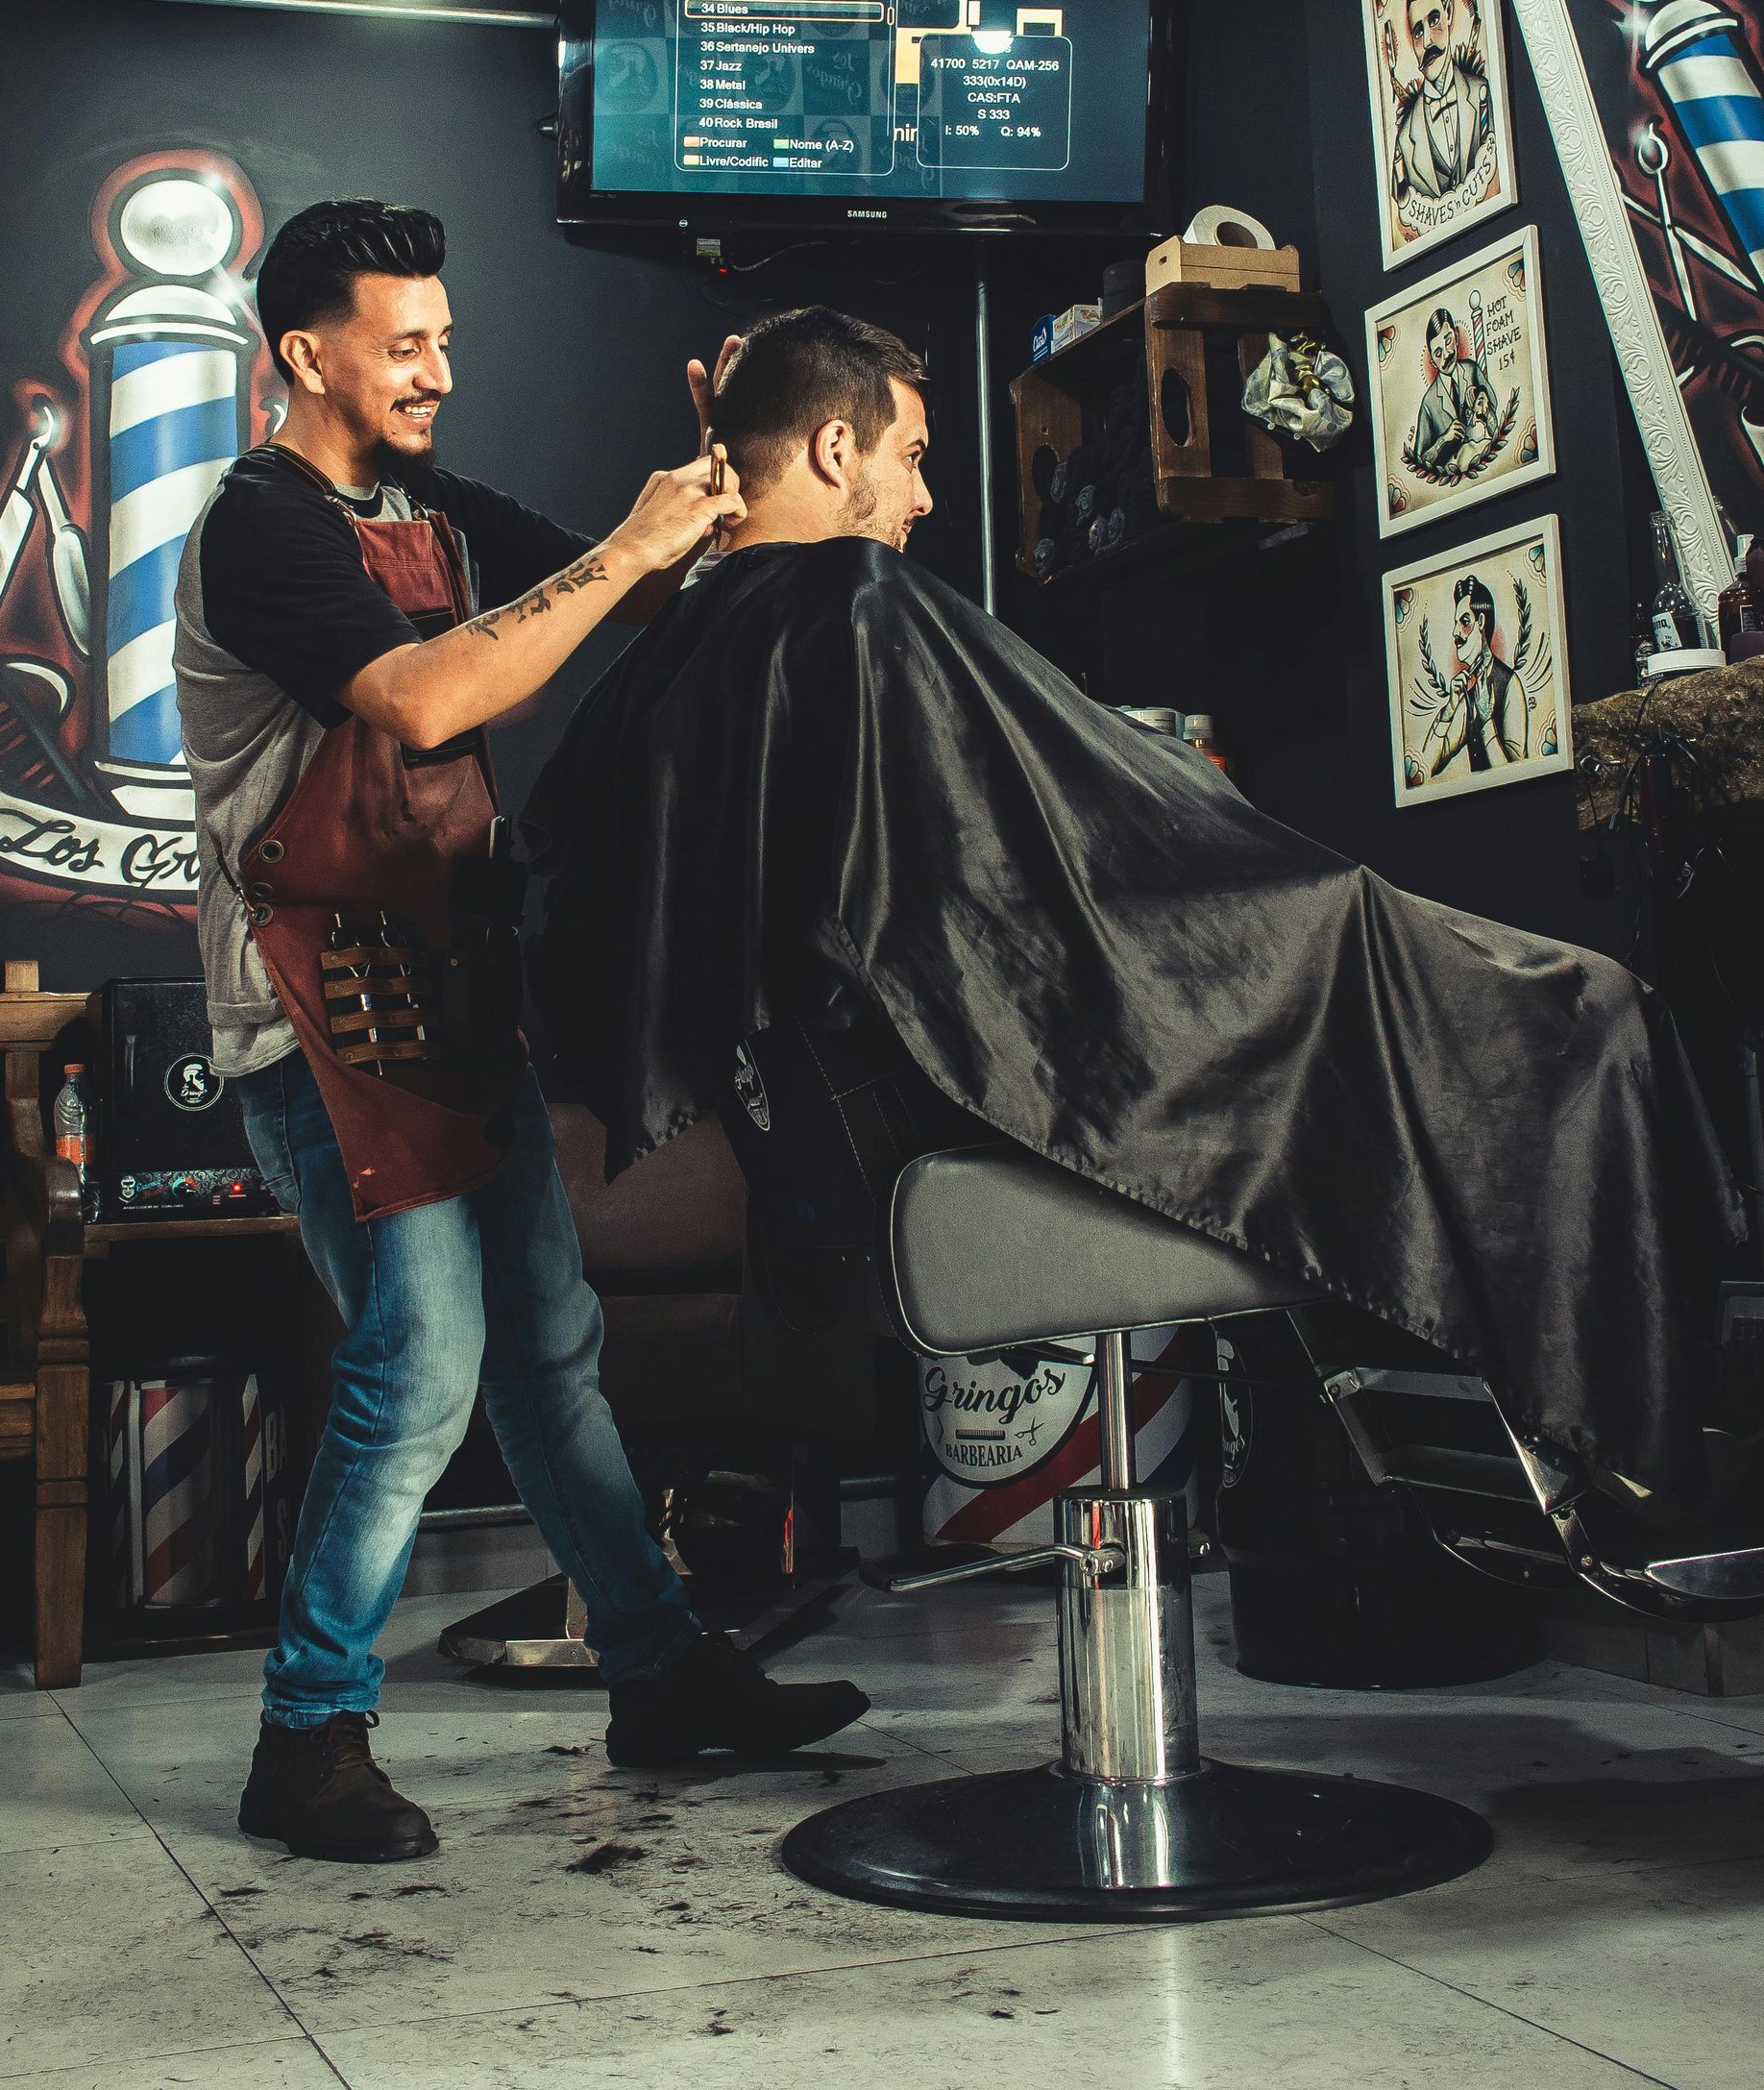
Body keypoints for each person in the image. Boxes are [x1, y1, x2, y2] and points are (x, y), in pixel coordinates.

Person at [526, 306, 1744, 1506]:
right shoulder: (853, 602)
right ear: (836, 451)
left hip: (839, 1157)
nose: (926, 498)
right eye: (912, 457)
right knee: (1586, 1015)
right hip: (969, 1126)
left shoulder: (665, 657)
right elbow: (1079, 889)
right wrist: (1287, 886)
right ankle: (1649, 1452)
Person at [172, 206, 868, 1866]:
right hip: (313, 1008)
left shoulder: (424, 502)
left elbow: (621, 590)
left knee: (551, 1348)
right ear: (308, 353)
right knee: (422, 1366)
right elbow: (417, 699)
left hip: (455, 986)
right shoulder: (259, 528)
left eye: (445, 332)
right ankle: (308, 1733)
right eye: (406, 340)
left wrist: (710, 482)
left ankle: (662, 1669)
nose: (439, 367)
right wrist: (628, 553)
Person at [1391, 0, 1490, 203]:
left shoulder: (1481, 95)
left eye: (1433, 19)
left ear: (1448, 11)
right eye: (1417, 31)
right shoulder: (1405, 139)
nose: (1426, 42)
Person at [1425, 571, 1530, 775]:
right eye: (1456, 623)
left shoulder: (1510, 684)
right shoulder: (1468, 691)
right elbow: (1429, 766)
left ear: (1481, 622)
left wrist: (1487, 721)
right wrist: (1449, 709)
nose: (1455, 632)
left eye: (1464, 621)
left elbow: (1518, 773)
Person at [1409, 306, 1499, 478]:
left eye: (1448, 340)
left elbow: (1495, 418)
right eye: (1438, 352)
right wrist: (1444, 439)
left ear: (1456, 337)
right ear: (1433, 362)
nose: (1447, 354)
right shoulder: (1429, 402)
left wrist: (1483, 404)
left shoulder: (1472, 370)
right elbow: (1419, 462)